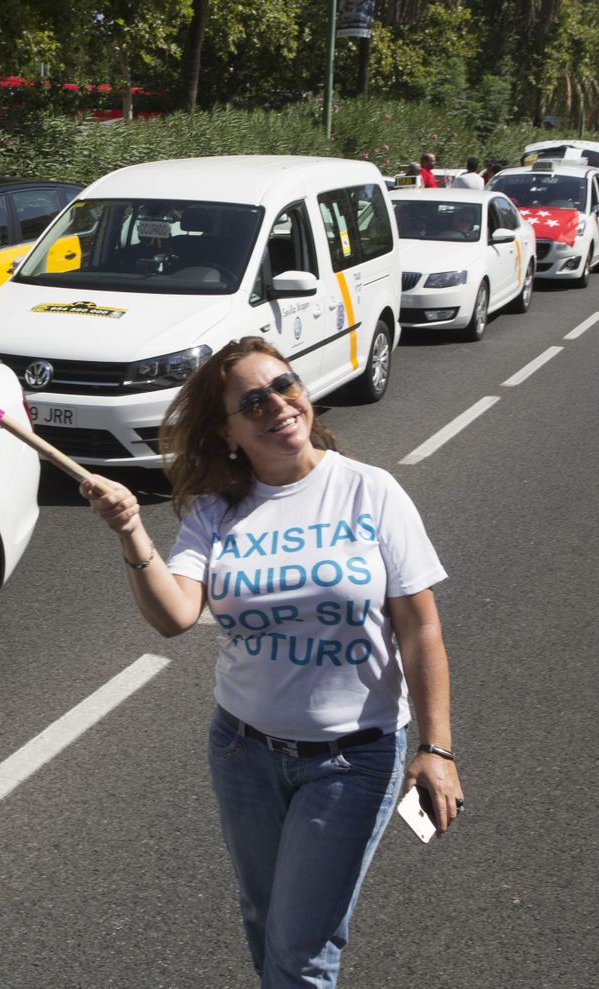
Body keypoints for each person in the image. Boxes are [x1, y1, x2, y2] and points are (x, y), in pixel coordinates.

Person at [78, 337, 463, 989]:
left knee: (302, 946)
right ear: (227, 433)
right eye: (252, 401)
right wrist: (130, 532)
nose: (277, 405)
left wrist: (437, 746)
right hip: (243, 754)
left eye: (284, 385)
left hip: (354, 757)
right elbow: (175, 614)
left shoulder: (370, 491)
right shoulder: (215, 511)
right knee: (265, 918)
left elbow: (420, 626)